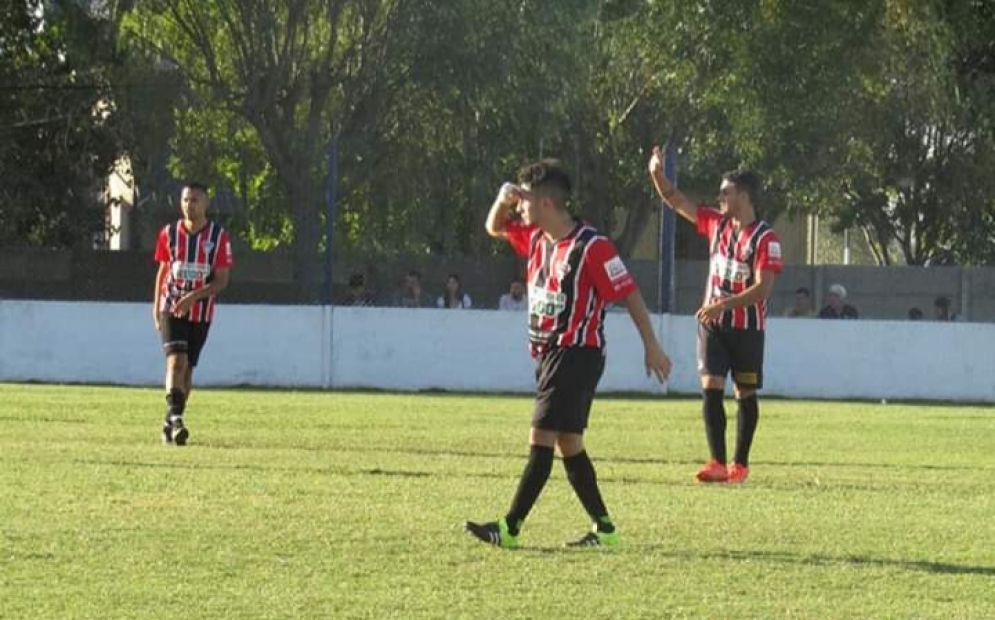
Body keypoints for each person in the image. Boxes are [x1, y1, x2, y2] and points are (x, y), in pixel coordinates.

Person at [465, 159, 672, 549]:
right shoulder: (538, 238)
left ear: (545, 203)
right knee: (569, 445)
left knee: (541, 437)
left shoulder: (591, 246)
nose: (519, 206)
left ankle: (508, 528)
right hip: (549, 355)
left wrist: (652, 344)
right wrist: (502, 198)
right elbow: (494, 226)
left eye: (524, 199)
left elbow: (628, 292)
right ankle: (605, 529)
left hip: (576, 352)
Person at [647, 146, 782, 484]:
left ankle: (740, 464)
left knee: (745, 393)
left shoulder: (766, 238)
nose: (719, 197)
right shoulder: (716, 225)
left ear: (745, 196)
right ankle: (717, 462)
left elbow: (763, 289)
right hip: (713, 326)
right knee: (711, 386)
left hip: (747, 330)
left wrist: (724, 304)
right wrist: (656, 174)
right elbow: (677, 201)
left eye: (726, 192)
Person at [153, 181, 233, 446]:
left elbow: (221, 281)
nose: (189, 205)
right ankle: (177, 420)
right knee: (176, 362)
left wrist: (193, 298)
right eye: (185, 200)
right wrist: (156, 307)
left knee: (187, 372)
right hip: (172, 307)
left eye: (195, 200)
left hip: (200, 312)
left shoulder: (218, 237)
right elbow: (163, 271)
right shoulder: (170, 234)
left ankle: (169, 420)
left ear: (206, 203)